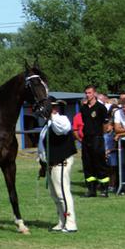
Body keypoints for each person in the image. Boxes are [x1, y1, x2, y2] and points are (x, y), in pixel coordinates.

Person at [39, 97, 78, 233]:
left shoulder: (61, 119)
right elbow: (42, 147)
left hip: (61, 161)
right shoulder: (47, 124)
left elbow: (62, 129)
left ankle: (71, 223)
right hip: (51, 163)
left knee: (63, 193)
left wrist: (51, 115)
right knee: (55, 195)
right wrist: (42, 164)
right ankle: (62, 221)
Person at [79, 85, 110, 197]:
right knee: (87, 164)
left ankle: (104, 189)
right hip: (86, 139)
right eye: (86, 93)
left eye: (90, 93)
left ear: (94, 93)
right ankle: (91, 190)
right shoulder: (84, 108)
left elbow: (105, 125)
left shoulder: (101, 108)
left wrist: (100, 135)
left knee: (99, 163)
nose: (88, 95)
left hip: (97, 138)